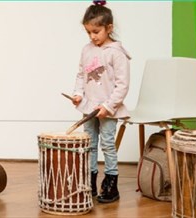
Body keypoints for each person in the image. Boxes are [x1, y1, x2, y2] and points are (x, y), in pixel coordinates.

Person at [71, 0, 130, 203]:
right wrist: (78, 94)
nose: (92, 36)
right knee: (90, 144)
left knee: (107, 144)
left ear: (109, 28)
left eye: (96, 31)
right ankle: (90, 181)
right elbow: (81, 75)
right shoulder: (87, 50)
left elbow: (122, 85)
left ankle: (111, 183)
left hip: (107, 108)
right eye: (88, 32)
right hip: (89, 106)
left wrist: (108, 106)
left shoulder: (116, 52)